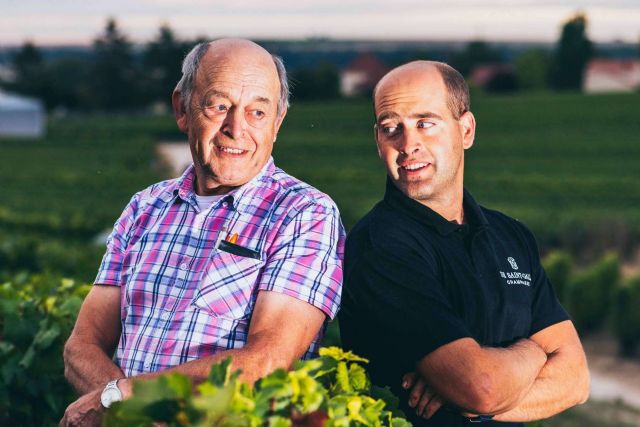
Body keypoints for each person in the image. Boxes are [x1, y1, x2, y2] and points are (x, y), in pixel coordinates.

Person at [60, 39, 345, 426]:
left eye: (257, 112)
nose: (236, 129)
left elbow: (267, 361)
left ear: (277, 122)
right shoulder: (145, 207)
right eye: (219, 106)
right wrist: (130, 411)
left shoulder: (304, 213)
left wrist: (125, 399)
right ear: (182, 109)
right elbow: (81, 346)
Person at [339, 61, 589, 426]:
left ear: (466, 129)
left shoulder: (510, 236)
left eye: (425, 123)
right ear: (378, 140)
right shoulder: (381, 246)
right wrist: (535, 353)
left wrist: (474, 396)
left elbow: (576, 380)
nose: (408, 145)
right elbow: (482, 388)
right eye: (391, 128)